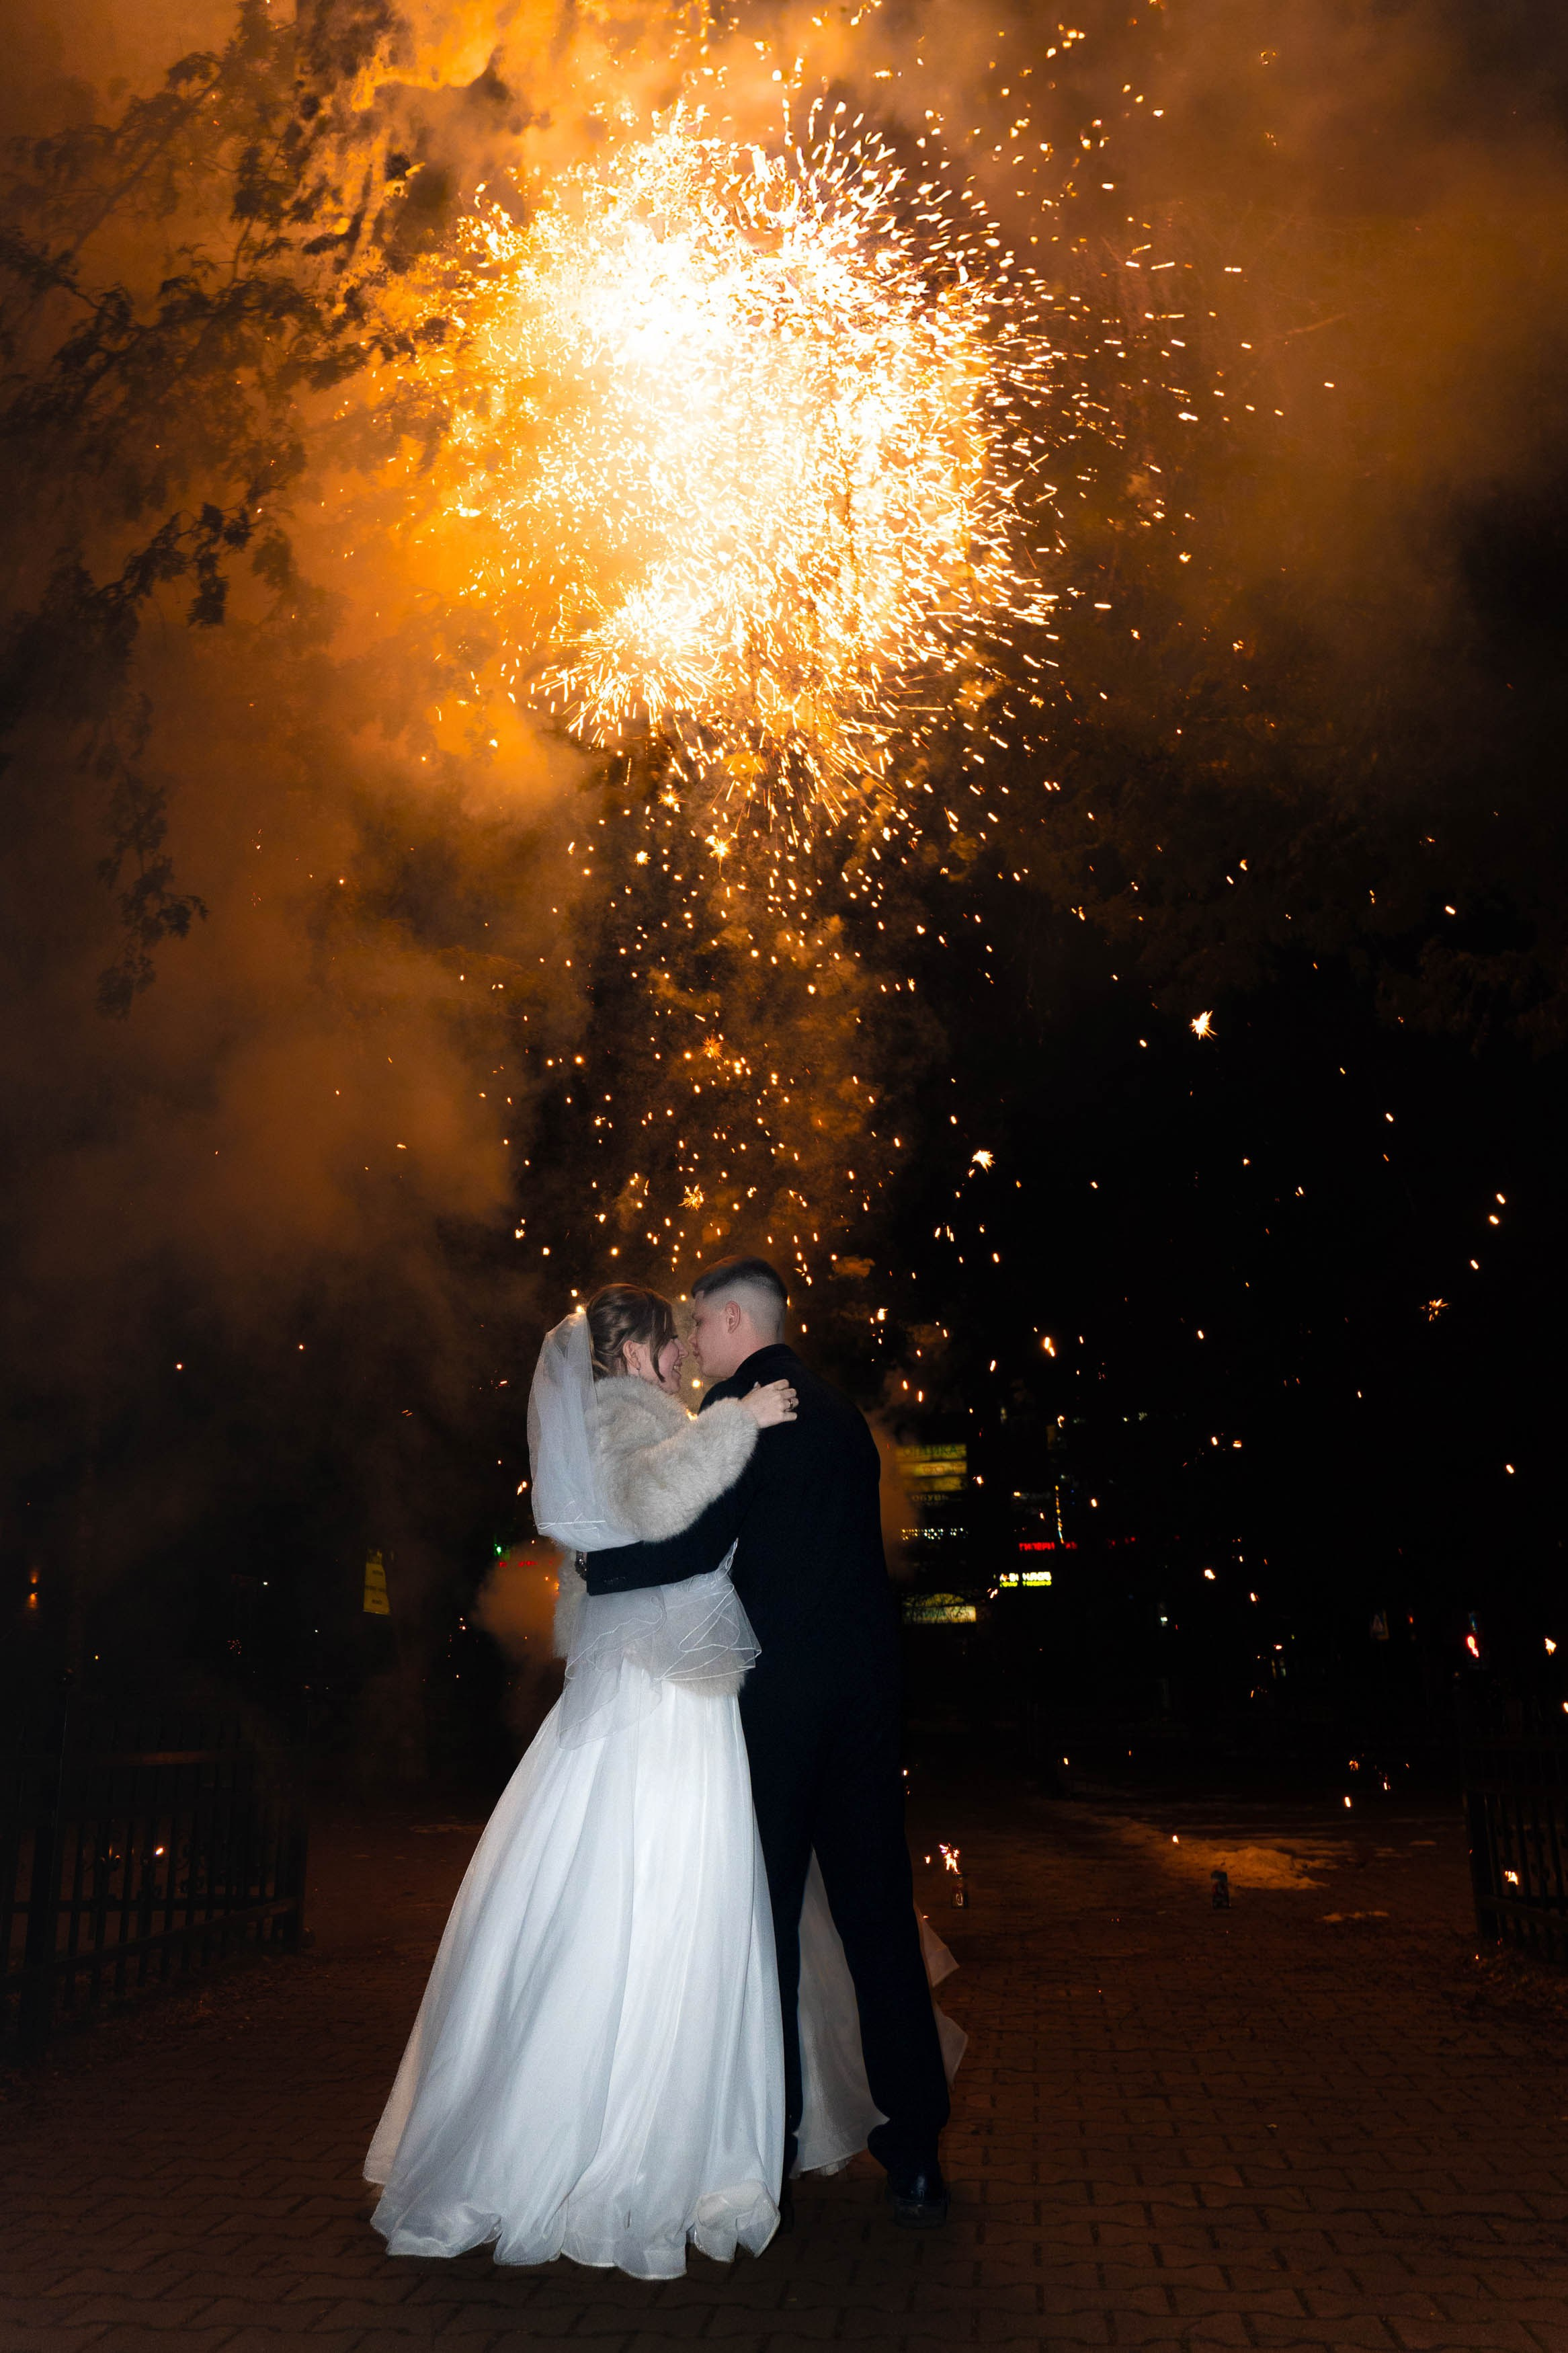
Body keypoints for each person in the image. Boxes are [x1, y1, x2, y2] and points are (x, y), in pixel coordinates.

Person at [364, 1284, 798, 2278]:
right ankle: (616, 2149)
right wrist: (737, 1420)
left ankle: (651, 2135)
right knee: (654, 1886)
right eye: (670, 1341)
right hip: (659, 1694)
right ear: (633, 1348)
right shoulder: (620, 1412)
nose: (684, 1355)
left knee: (647, 1887)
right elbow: (654, 1505)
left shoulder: (631, 1412)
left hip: (656, 1679)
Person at [584, 1256, 952, 2227]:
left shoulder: (745, 1409)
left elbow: (701, 1546)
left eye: (700, 1324)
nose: (690, 1342)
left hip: (777, 1708)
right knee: (879, 1919)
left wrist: (598, 1573)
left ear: (736, 1321)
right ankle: (916, 2152)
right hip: (867, 1703)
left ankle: (772, 2139)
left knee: (768, 1923)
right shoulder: (842, 1417)